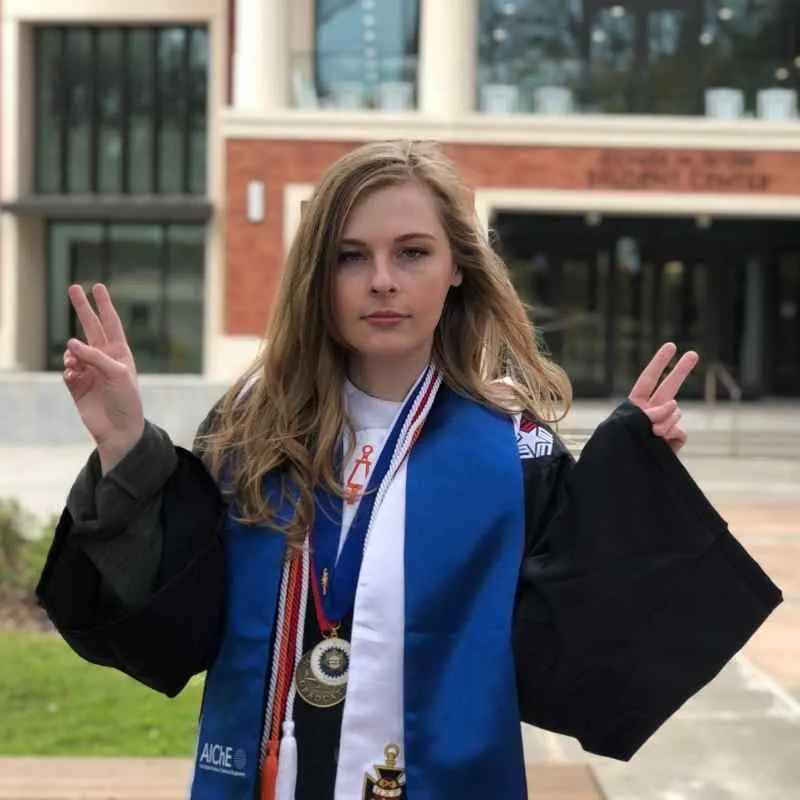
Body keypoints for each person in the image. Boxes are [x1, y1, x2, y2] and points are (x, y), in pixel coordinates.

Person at [36, 140, 782, 800]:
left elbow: (572, 660)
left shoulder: (512, 449)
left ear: (458, 267)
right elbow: (173, 630)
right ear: (316, 277)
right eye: (350, 256)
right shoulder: (249, 434)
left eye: (412, 251)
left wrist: (634, 488)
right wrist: (128, 451)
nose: (382, 280)